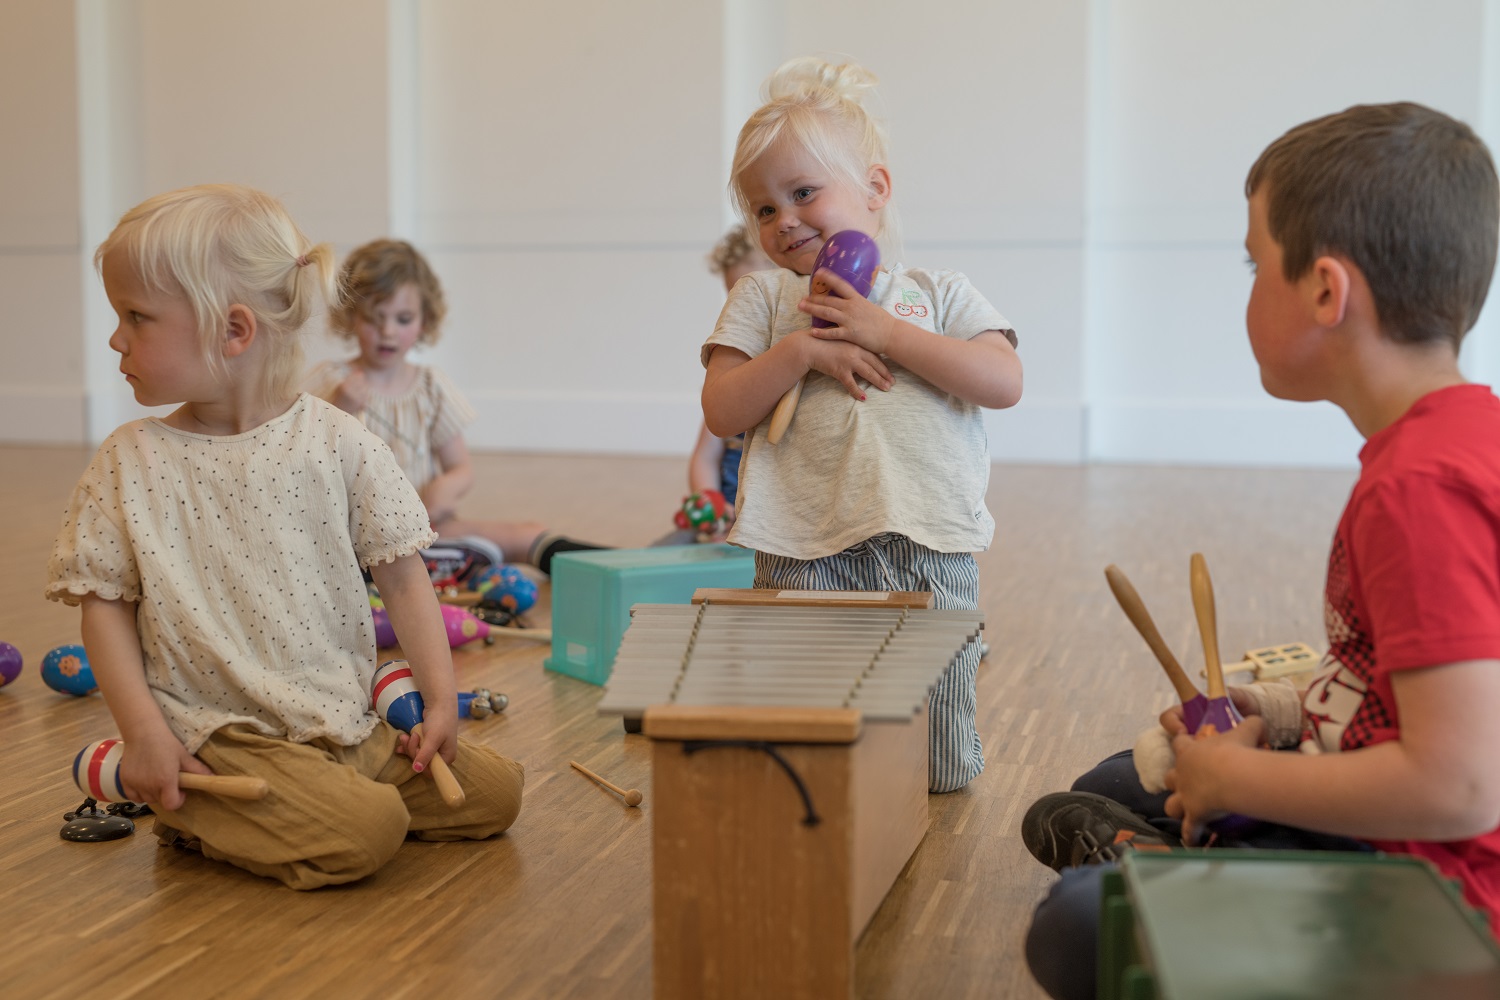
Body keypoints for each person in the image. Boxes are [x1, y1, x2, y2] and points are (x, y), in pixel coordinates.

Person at [1022, 102, 1500, 999]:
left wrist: (1243, 775)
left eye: (1253, 262)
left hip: (1441, 901)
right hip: (1410, 834)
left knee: (1077, 925)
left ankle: (1165, 869)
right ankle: (1174, 851)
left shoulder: (1415, 491)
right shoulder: (1457, 441)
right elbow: (1408, 684)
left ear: (1326, 291)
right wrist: (1277, 718)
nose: (1246, 285)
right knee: (1116, 779)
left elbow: (1465, 784)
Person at [45, 185, 525, 889]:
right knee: (369, 832)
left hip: (342, 715)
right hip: (221, 732)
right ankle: (199, 811)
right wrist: (146, 734)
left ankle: (307, 803)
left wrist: (441, 698)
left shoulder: (339, 441)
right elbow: (104, 608)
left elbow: (402, 576)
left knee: (496, 794)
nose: (116, 338)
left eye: (136, 317)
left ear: (233, 331)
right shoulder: (129, 460)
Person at [700, 57, 1024, 793]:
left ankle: (957, 668)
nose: (783, 221)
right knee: (818, 750)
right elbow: (722, 410)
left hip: (928, 541)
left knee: (940, 770)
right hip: (804, 544)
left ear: (875, 190)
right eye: (762, 209)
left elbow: (1003, 382)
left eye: (803, 193)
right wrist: (800, 351)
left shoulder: (937, 295)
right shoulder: (761, 302)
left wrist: (887, 333)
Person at [308, 238, 605, 574]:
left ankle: (620, 566)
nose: (388, 332)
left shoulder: (431, 386)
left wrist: (445, 490)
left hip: (428, 529)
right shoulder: (330, 381)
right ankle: (436, 568)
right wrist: (339, 406)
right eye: (375, 319)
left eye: (403, 319)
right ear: (350, 315)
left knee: (524, 534)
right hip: (356, 535)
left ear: (425, 320)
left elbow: (461, 468)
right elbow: (306, 461)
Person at [689, 226, 775, 529]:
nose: (742, 312)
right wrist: (708, 502)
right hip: (726, 525)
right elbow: (704, 457)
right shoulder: (729, 372)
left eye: (754, 299)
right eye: (735, 300)